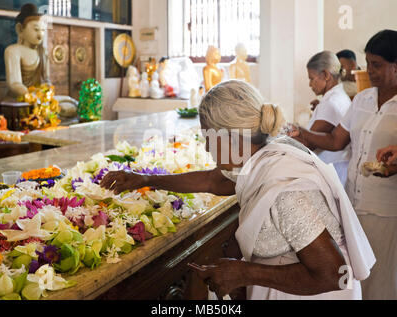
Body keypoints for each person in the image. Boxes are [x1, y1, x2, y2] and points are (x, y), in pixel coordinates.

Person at [101, 80, 375, 300]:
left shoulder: (286, 191)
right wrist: (145, 180)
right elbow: (212, 181)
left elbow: (333, 274)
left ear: (229, 137)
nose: (207, 148)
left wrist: (245, 273)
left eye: (207, 137)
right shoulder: (262, 158)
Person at [287, 30, 397, 300]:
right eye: (368, 63)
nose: (370, 71)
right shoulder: (362, 99)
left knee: (383, 282)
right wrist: (301, 133)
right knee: (355, 280)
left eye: (378, 65)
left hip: (387, 211)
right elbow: (336, 140)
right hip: (352, 205)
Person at [305, 51, 352, 164]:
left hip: (331, 168)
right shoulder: (338, 96)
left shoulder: (331, 103)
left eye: (311, 78)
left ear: (326, 75)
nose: (310, 84)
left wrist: (292, 132)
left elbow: (308, 144)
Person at [4, 3, 50, 100]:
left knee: (71, 105)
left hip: (40, 97)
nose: (40, 35)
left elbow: (46, 80)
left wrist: (47, 91)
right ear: (20, 29)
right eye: (36, 29)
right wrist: (30, 95)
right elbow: (14, 83)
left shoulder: (43, 52)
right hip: (20, 100)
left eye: (43, 30)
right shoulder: (13, 51)